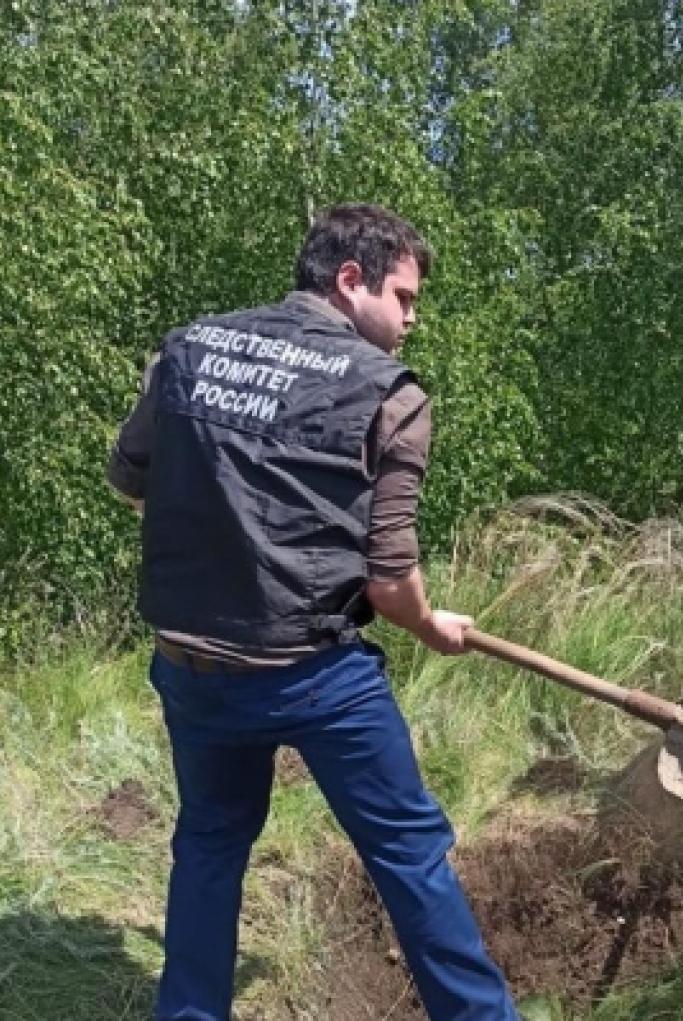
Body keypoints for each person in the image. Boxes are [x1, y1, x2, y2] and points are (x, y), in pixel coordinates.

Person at [108, 203, 518, 1020]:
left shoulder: (187, 350)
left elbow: (129, 481)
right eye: (403, 298)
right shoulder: (389, 397)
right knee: (408, 851)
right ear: (349, 280)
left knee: (210, 845)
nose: (411, 320)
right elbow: (389, 581)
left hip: (193, 665)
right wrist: (432, 625)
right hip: (313, 674)